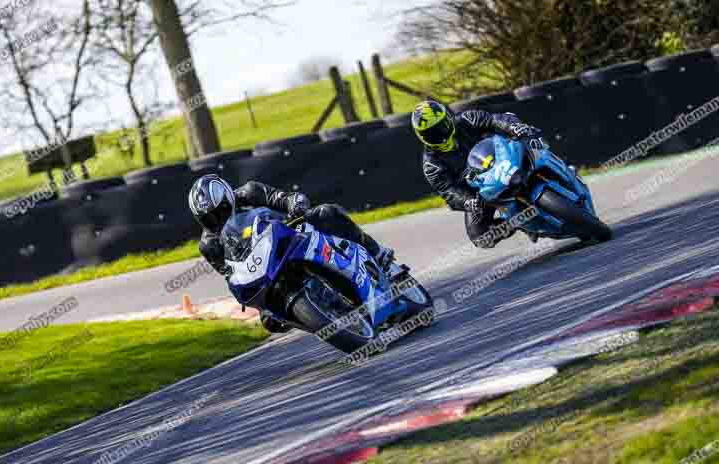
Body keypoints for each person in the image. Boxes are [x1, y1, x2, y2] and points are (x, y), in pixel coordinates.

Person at [188, 174, 396, 332]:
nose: (217, 219)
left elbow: (286, 199)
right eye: (209, 218)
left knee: (327, 213)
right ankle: (328, 314)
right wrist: (260, 307)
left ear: (228, 198)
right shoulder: (209, 245)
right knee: (270, 322)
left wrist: (297, 207)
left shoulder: (251, 192)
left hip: (292, 231)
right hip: (263, 267)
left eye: (220, 211)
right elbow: (232, 276)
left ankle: (380, 257)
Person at [412, 100, 546, 248]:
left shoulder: (467, 119)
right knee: (481, 238)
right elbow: (448, 191)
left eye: (441, 127)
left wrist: (513, 127)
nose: (440, 134)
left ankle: (553, 169)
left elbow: (494, 120)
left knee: (530, 139)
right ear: (421, 137)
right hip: (482, 191)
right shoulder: (431, 164)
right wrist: (467, 201)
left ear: (448, 118)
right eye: (431, 133)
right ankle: (520, 223)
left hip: (506, 157)